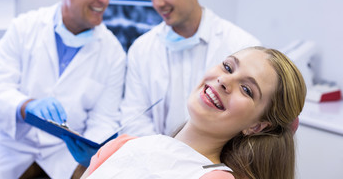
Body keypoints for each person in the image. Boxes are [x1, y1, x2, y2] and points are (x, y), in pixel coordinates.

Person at [0, 0, 126, 179]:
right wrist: (26, 106)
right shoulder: (24, 28)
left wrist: (92, 148)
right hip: (10, 145)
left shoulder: (113, 52)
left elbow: (105, 119)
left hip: (66, 153)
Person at [81, 47, 306, 179]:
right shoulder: (121, 145)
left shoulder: (213, 177)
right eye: (228, 67)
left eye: (246, 90)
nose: (224, 81)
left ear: (256, 126)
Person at [120, 0, 261, 137]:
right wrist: (164, 157)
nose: (157, 4)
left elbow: (247, 122)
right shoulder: (141, 49)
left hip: (216, 162)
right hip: (155, 160)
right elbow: (133, 118)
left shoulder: (242, 46)